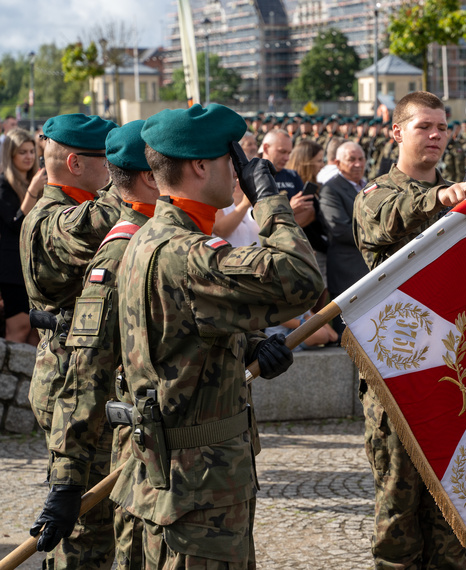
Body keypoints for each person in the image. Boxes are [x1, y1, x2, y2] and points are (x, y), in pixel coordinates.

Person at [112, 103, 323, 567]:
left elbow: (172, 335)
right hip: (197, 493)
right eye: (232, 161)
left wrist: (247, 347)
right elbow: (301, 278)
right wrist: (268, 200)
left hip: (183, 482)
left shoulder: (148, 237)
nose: (239, 171)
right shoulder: (189, 253)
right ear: (200, 166)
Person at [353, 91, 466, 569]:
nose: (434, 136)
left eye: (442, 128)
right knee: (398, 515)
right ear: (397, 132)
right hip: (397, 377)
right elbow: (389, 221)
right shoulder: (376, 196)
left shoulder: (462, 196)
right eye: (423, 126)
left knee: (454, 519)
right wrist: (444, 200)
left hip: (453, 374)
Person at [42, 120, 159, 570]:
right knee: (87, 541)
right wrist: (66, 478)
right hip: (83, 398)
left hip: (126, 410)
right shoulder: (98, 235)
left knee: (115, 533)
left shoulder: (156, 237)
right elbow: (89, 363)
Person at [22, 113, 120, 567]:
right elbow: (101, 218)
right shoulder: (52, 219)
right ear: (77, 163)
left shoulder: (74, 206)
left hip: (88, 380)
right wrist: (143, 173)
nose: (116, 169)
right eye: (110, 160)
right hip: (71, 386)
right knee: (86, 529)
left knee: (104, 518)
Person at [0, 128, 46, 344]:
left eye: (31, 151)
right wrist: (33, 190)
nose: (29, 157)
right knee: (17, 332)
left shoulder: (35, 182)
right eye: (22, 152)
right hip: (13, 270)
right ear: (10, 156)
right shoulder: (3, 185)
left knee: (36, 333)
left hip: (35, 267)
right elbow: (16, 223)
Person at [319, 141, 369, 336]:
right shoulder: (330, 189)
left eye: (360, 159)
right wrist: (380, 235)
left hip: (370, 269)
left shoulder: (370, 185)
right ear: (338, 164)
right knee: (351, 335)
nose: (357, 164)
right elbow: (339, 229)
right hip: (347, 271)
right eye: (351, 160)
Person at [286, 139, 329, 278]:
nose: (322, 165)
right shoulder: (296, 191)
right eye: (318, 161)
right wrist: (324, 244)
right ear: (305, 162)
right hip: (308, 252)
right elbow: (305, 225)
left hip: (319, 250)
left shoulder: (316, 187)